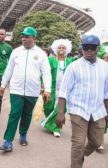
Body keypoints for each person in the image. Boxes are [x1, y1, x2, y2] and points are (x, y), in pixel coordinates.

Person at [56, 34, 108, 168]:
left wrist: (107, 112)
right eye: (86, 47)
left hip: (98, 110)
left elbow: (106, 93)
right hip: (78, 110)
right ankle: (76, 163)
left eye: (92, 47)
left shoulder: (105, 67)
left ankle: (80, 155)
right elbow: (63, 91)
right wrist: (60, 113)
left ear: (98, 48)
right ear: (81, 48)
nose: (89, 50)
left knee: (97, 142)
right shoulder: (73, 67)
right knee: (78, 143)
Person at [0, 26, 51, 152]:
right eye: (23, 36)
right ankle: (8, 141)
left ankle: (23, 134)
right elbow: (9, 69)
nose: (23, 39)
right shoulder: (16, 52)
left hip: (32, 91)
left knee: (27, 115)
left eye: (27, 36)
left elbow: (46, 72)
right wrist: (3, 84)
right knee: (14, 114)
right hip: (16, 89)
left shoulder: (41, 54)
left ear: (34, 38)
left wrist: (48, 89)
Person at [41, 39, 73, 137]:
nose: (61, 49)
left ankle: (56, 128)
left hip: (64, 88)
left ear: (66, 50)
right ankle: (49, 120)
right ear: (56, 49)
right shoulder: (51, 60)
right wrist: (43, 85)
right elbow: (45, 73)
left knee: (60, 108)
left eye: (63, 48)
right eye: (59, 47)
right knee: (48, 106)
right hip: (51, 87)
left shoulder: (70, 61)